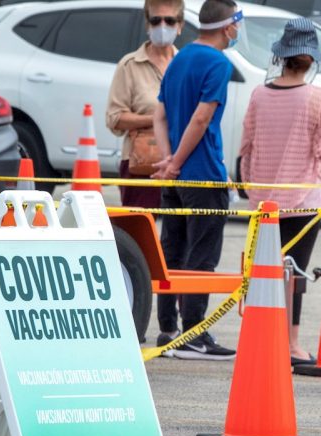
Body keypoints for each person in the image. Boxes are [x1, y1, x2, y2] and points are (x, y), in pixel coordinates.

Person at [239, 18, 321, 366]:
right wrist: (314, 178)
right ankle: (292, 343)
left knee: (264, 270)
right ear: (311, 60)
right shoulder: (319, 99)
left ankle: (261, 336)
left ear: (282, 57)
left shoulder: (259, 95)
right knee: (296, 272)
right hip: (303, 199)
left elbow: (246, 147)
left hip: (262, 199)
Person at [151, 0, 241, 360]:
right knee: (201, 256)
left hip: (175, 177)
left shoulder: (179, 58)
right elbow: (201, 120)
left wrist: (168, 159)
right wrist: (178, 163)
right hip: (202, 173)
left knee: (172, 251)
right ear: (229, 26)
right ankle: (193, 333)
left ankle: (168, 330)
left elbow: (159, 115)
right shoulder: (218, 63)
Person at [105, 0, 185, 209]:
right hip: (141, 160)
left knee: (177, 235)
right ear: (148, 24)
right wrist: (156, 119)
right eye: (156, 20)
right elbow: (114, 118)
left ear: (180, 25)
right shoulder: (129, 65)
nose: (162, 26)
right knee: (138, 231)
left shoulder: (186, 64)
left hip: (180, 160)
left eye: (169, 20)